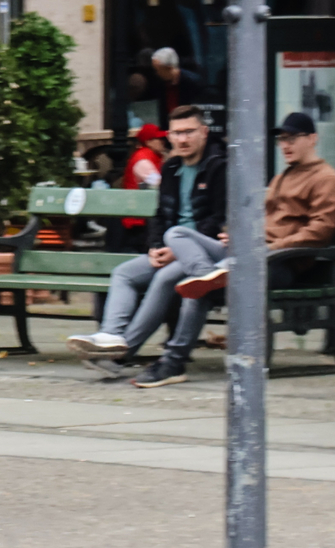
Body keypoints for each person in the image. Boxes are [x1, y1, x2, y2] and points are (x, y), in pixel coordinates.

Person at [110, 111, 335, 387]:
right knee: (176, 235)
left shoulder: (327, 179)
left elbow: (319, 232)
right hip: (247, 254)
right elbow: (258, 220)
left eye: (293, 138)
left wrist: (268, 246)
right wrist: (237, 236)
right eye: (282, 139)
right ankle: (205, 274)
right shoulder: (283, 176)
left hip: (277, 263)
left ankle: (173, 361)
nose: (285, 145)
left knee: (196, 287)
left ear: (313, 139)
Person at [67, 107, 224, 373]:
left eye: (189, 132)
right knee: (124, 273)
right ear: (169, 136)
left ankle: (123, 351)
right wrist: (154, 247)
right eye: (177, 133)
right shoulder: (172, 167)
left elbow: (219, 219)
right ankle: (110, 336)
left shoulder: (218, 166)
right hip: (169, 248)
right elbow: (160, 215)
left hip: (202, 256)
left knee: (163, 279)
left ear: (204, 132)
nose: (183, 139)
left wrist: (175, 250)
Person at [120, 122, 167, 191]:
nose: (163, 141)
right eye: (159, 139)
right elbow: (160, 184)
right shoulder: (143, 160)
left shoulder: (153, 155)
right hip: (135, 200)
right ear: (148, 142)